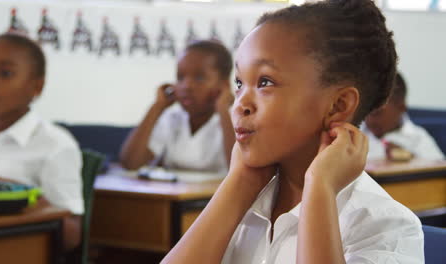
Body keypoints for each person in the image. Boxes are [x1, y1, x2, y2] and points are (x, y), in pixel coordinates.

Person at [161, 1, 423, 263]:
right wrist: (238, 183)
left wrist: (320, 187)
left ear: (338, 105)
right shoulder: (243, 201)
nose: (240, 104)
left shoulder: (388, 229)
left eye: (265, 82)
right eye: (240, 83)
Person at [0, 33, 84, 251]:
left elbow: (72, 236)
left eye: (5, 73)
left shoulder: (56, 145)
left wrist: (25, 199)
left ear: (36, 87)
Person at [120, 40, 234, 174]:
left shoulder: (235, 120)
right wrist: (157, 107)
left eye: (199, 78)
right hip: (174, 193)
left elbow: (237, 167)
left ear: (224, 86)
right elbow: (131, 163)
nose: (186, 86)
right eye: (180, 78)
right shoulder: (172, 118)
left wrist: (223, 110)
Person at [363, 72, 444, 160]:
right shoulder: (353, 136)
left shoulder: (418, 138)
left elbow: (438, 168)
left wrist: (409, 157)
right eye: (364, 112)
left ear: (401, 108)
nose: (369, 119)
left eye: (377, 113)